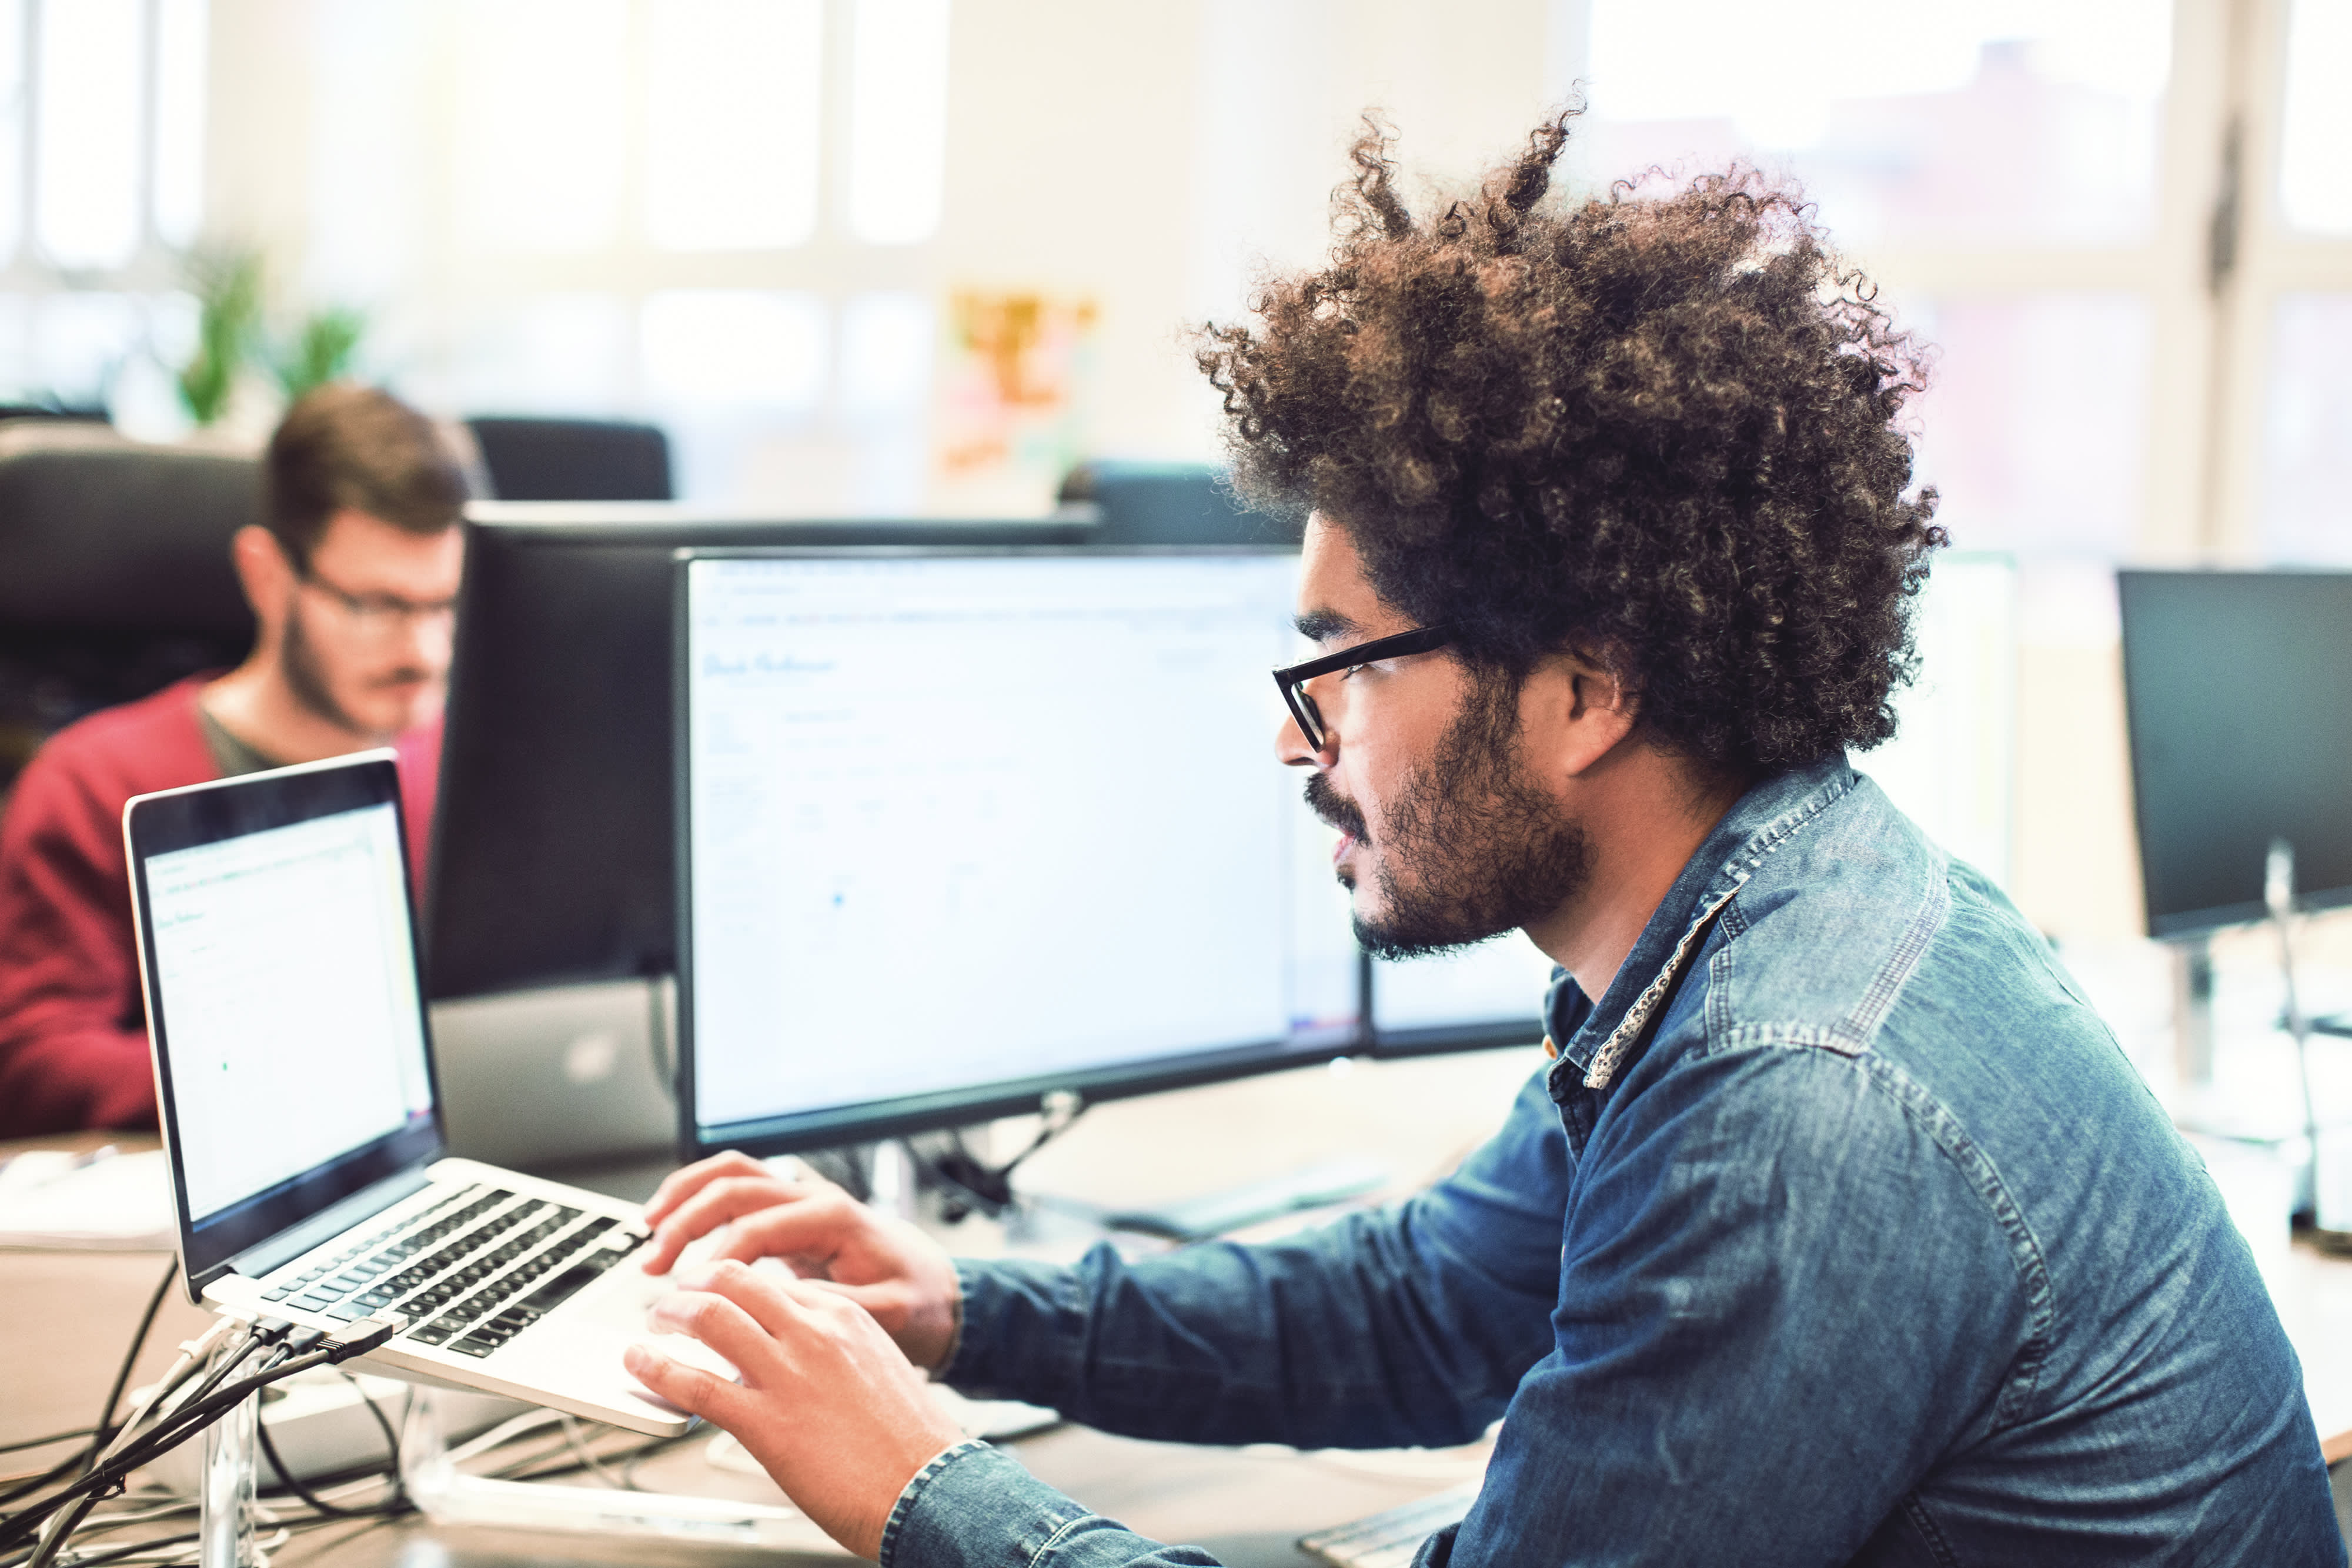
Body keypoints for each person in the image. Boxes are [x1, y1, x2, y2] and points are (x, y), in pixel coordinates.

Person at [622, 116, 2342, 1564]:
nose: (1291, 734)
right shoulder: (1763, 913)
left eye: (1338, 663)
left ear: (1582, 688)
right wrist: (968, 1309)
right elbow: (1431, 1306)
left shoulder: (1793, 1099)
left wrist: (921, 1484)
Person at [0, 385, 472, 1135]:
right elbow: (31, 1064)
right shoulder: (95, 783)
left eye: (447, 604)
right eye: (377, 606)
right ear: (267, 577)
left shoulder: (467, 767)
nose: (424, 652)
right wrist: (287, 1082)